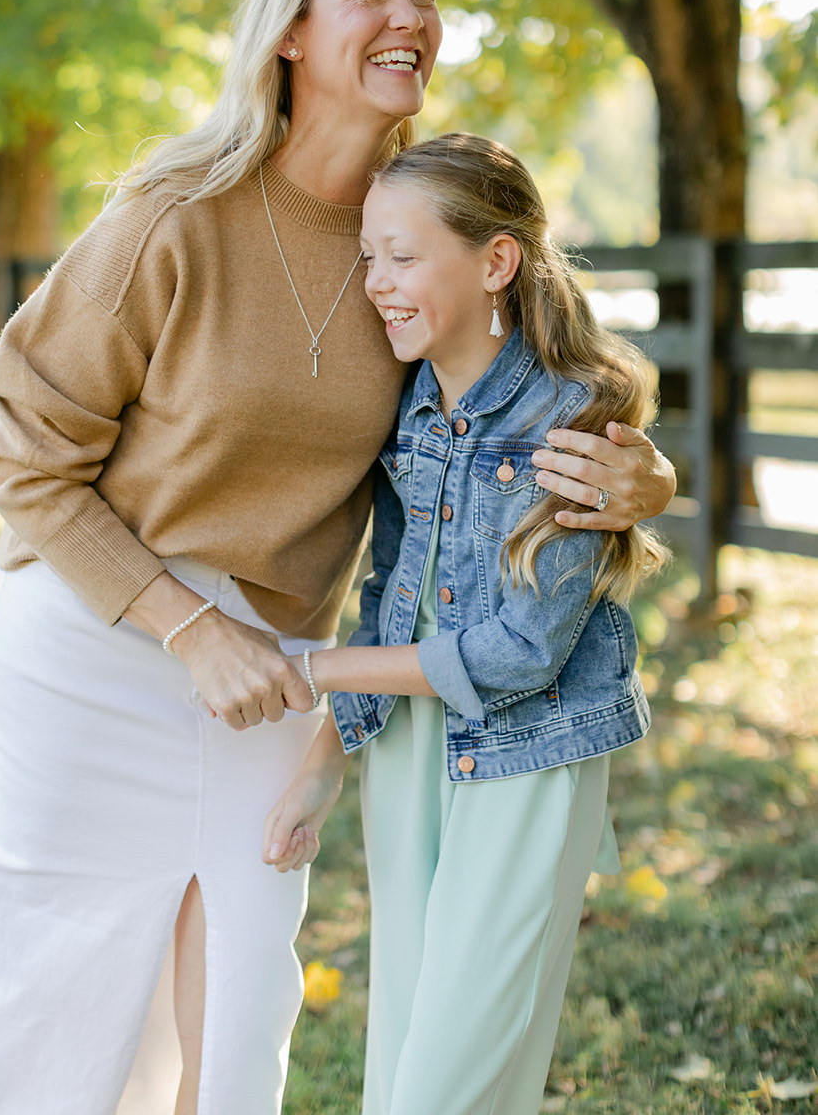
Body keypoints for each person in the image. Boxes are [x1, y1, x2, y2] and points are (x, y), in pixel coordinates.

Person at [0, 0, 675, 1115]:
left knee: (237, 1026)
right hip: (96, 651)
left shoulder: (418, 235)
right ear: (291, 31)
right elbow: (22, 452)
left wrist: (646, 481)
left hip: (276, 673)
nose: (409, 15)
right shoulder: (173, 216)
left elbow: (537, 393)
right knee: (32, 1014)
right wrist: (185, 628)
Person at [263, 131, 670, 1115]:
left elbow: (520, 654)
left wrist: (315, 668)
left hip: (525, 759)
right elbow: (389, 585)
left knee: (450, 1083)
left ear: (494, 262)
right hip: (409, 747)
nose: (375, 283)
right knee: (402, 1046)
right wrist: (327, 754)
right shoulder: (405, 403)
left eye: (401, 256)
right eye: (368, 257)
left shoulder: (572, 426)